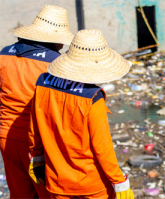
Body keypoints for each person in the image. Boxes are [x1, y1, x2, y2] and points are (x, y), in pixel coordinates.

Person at [28, 29, 134, 199]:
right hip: (91, 185)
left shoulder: (43, 83)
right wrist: (119, 182)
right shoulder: (92, 97)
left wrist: (36, 157)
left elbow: (34, 127)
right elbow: (102, 148)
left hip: (57, 181)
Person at [0, 5, 74, 198]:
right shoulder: (54, 63)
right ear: (53, 39)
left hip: (6, 137)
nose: (63, 46)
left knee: (20, 194)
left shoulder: (4, 54)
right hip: (38, 143)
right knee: (47, 193)